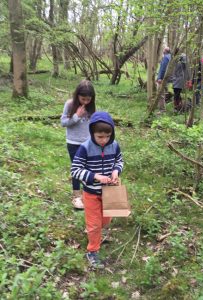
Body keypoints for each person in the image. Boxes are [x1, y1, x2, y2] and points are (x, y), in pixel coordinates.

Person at [71, 111, 124, 268]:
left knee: (106, 220)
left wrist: (116, 171)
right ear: (92, 133)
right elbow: (75, 170)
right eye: (100, 137)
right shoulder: (85, 148)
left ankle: (96, 233)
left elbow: (119, 160)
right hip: (91, 193)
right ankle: (92, 250)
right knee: (94, 223)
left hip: (110, 192)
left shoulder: (114, 146)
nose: (104, 140)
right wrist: (95, 177)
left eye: (107, 136)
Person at [61, 80, 96, 209]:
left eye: (88, 99)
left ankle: (88, 193)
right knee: (77, 168)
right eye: (83, 99)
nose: (85, 102)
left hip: (88, 143)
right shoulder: (70, 104)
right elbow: (63, 122)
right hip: (73, 142)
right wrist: (76, 116)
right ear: (77, 96)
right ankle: (76, 196)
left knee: (89, 167)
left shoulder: (91, 106)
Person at [156, 46, 172, 113]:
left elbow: (163, 69)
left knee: (160, 93)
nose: (163, 51)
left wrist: (159, 78)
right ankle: (162, 106)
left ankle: (162, 110)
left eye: (163, 50)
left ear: (165, 51)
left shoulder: (166, 57)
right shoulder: (170, 57)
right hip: (168, 78)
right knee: (164, 93)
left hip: (163, 78)